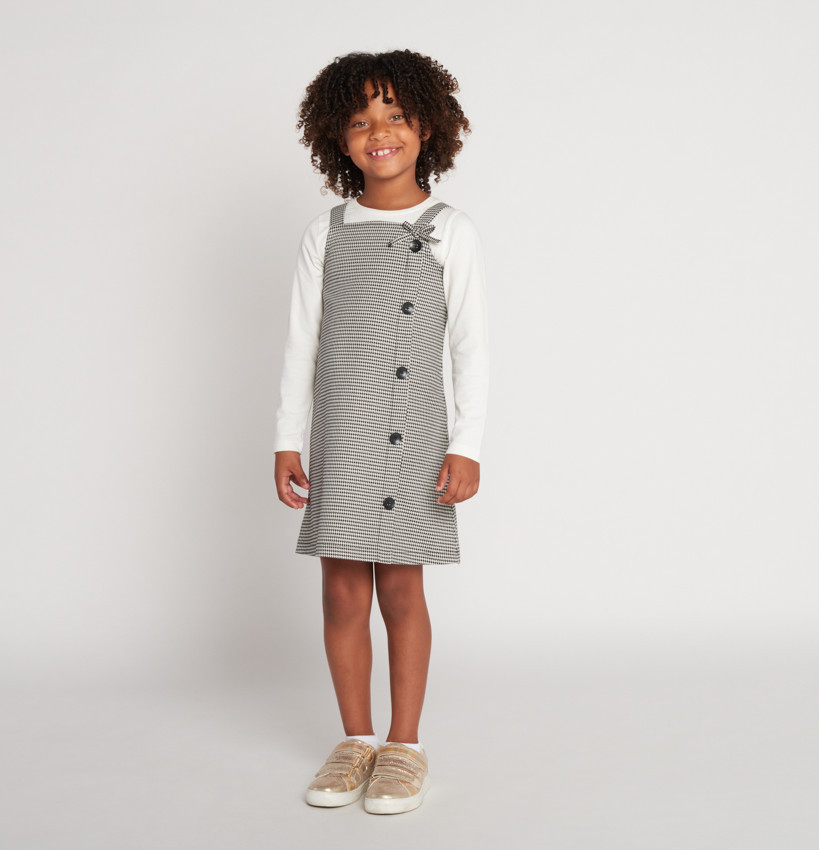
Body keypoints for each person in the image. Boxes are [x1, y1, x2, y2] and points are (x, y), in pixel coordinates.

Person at [273, 49, 489, 815]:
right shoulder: (326, 231)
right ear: (337, 136)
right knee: (340, 589)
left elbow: (469, 348)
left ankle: (405, 746)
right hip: (342, 430)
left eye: (395, 116)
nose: (379, 133)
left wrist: (466, 445)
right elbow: (302, 343)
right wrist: (287, 438)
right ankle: (355, 740)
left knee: (400, 586)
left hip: (412, 433)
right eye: (361, 121)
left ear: (427, 127)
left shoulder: (449, 230)